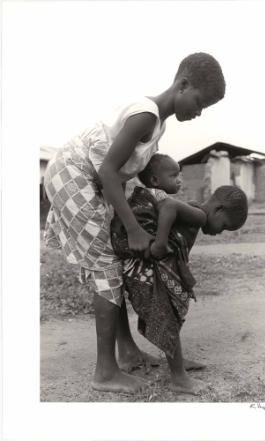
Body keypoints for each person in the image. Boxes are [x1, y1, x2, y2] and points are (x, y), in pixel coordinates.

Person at [43, 52, 226, 394]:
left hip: (94, 181)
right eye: (199, 102)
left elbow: (138, 177)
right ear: (183, 85)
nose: (198, 113)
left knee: (112, 260)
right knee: (105, 265)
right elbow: (109, 171)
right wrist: (133, 228)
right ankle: (105, 372)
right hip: (74, 175)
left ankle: (126, 353)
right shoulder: (146, 115)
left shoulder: (159, 126)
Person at [110, 154, 248, 394]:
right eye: (224, 225)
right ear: (218, 209)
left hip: (148, 263)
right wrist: (161, 243)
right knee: (169, 314)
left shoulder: (194, 209)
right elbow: (169, 207)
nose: (220, 232)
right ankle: (178, 377)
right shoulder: (200, 215)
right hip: (150, 262)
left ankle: (177, 363)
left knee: (171, 313)